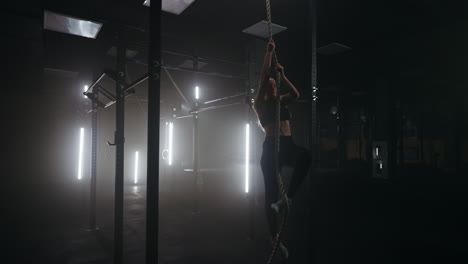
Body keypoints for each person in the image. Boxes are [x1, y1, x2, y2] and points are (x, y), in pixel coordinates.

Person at [253, 40, 311, 259]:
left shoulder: (282, 102)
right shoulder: (259, 104)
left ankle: (287, 200)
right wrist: (268, 53)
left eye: (275, 85)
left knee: (305, 156)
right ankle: (274, 237)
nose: (273, 86)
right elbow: (261, 78)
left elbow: (296, 94)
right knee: (270, 193)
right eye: (270, 85)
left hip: (287, 145)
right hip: (270, 149)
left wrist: (283, 75)